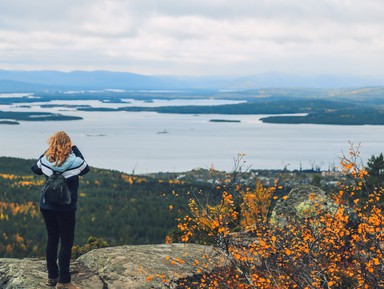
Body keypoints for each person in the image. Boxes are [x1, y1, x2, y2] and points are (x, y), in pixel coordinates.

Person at [31, 131, 89, 289]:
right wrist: (75, 148)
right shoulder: (75, 161)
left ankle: (52, 277)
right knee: (66, 242)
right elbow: (85, 168)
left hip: (47, 205)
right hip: (66, 208)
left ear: (53, 144)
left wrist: (48, 151)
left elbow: (34, 168)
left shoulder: (46, 160)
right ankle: (64, 281)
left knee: (52, 239)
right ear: (69, 145)